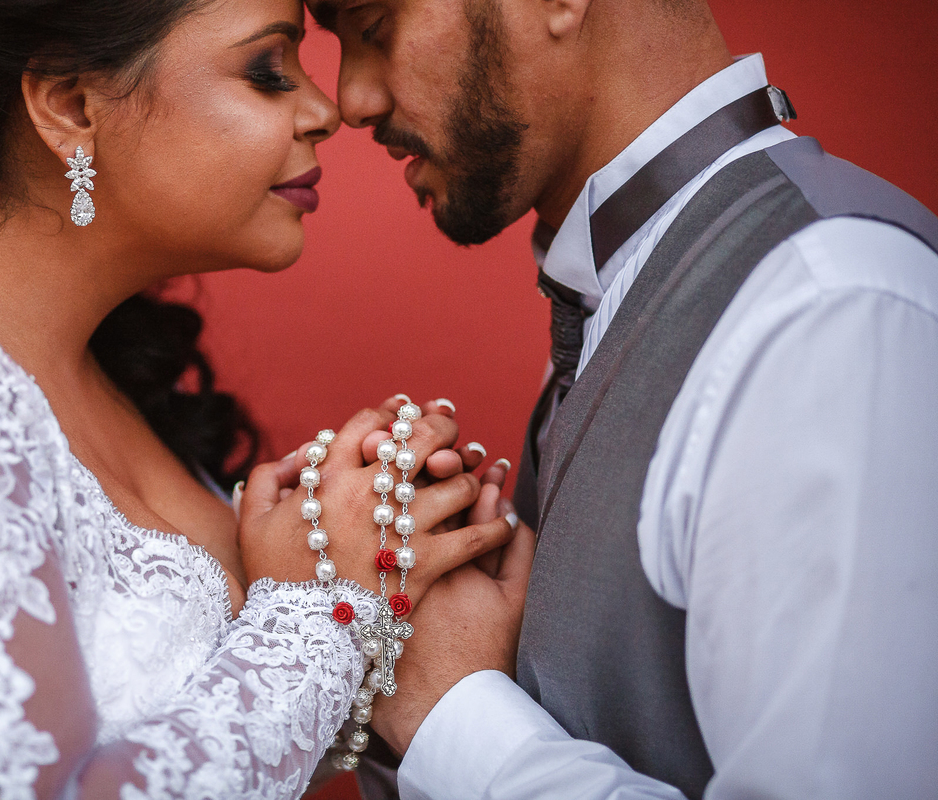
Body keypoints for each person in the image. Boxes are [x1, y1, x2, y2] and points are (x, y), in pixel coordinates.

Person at [0, 1, 519, 797]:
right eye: (267, 70)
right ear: (72, 105)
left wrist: (416, 625)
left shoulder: (101, 376)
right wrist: (324, 615)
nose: (324, 112)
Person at [306, 0, 938, 797]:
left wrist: (450, 711)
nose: (350, 99)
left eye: (373, 25)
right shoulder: (630, 285)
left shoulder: (830, 313)